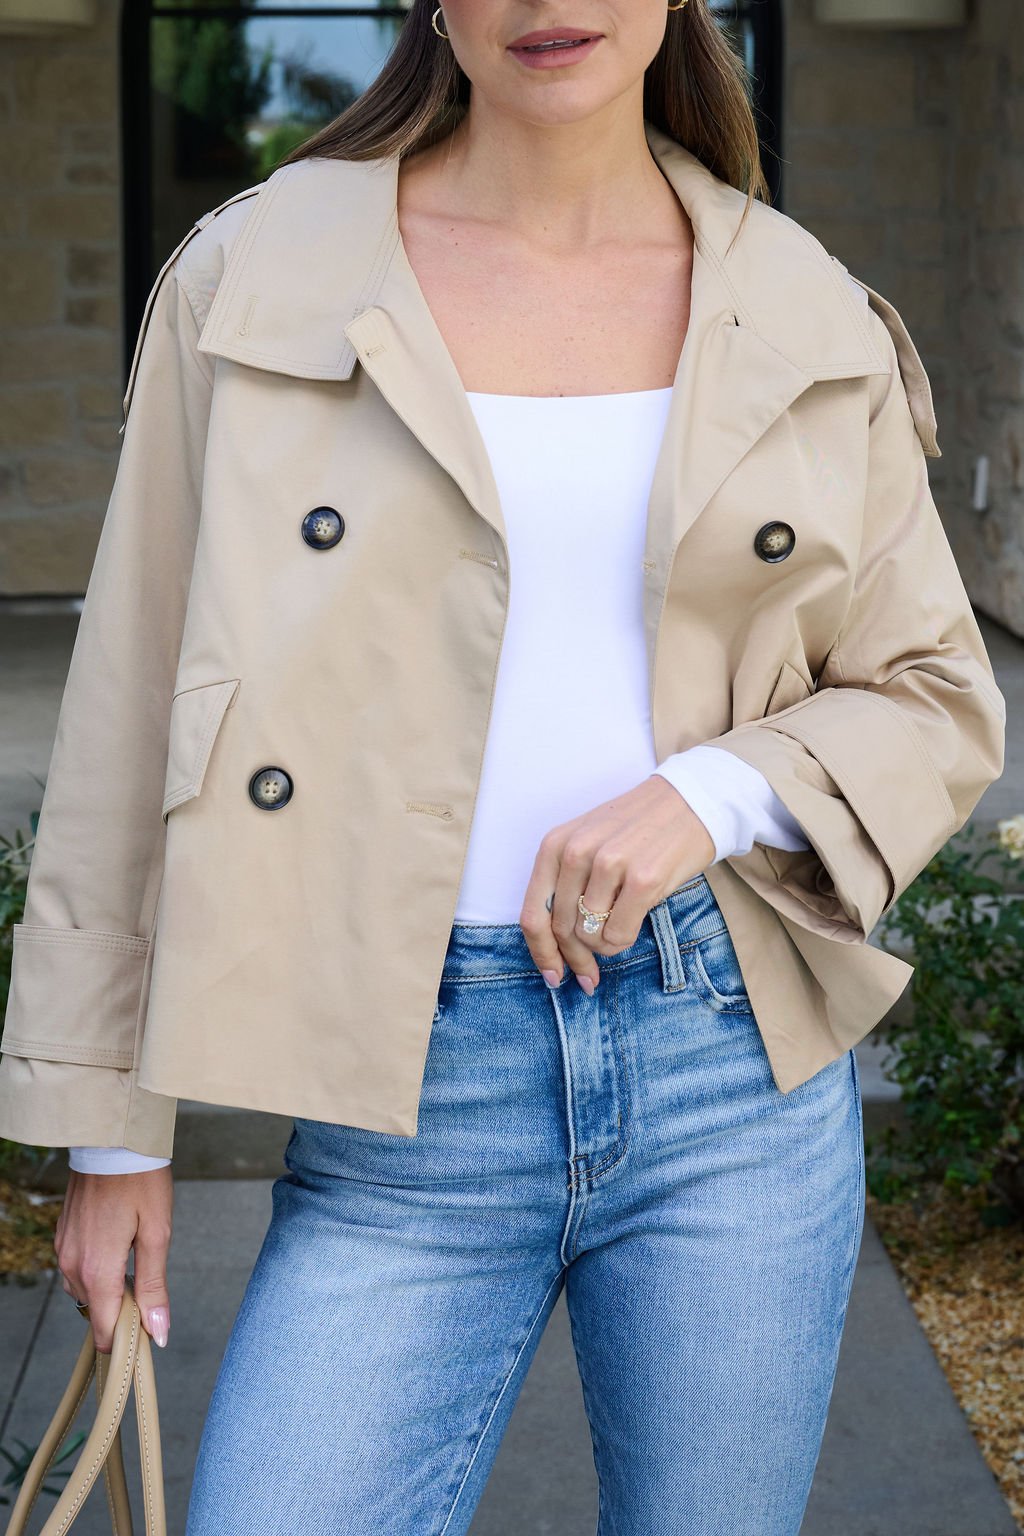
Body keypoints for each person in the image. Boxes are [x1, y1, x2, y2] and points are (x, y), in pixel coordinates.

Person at [0, 2, 1005, 1532]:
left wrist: (706, 797)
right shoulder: (258, 276)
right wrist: (116, 1133)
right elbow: (135, 703)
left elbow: (933, 692)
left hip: (726, 1063)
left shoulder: (796, 302)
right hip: (404, 1080)